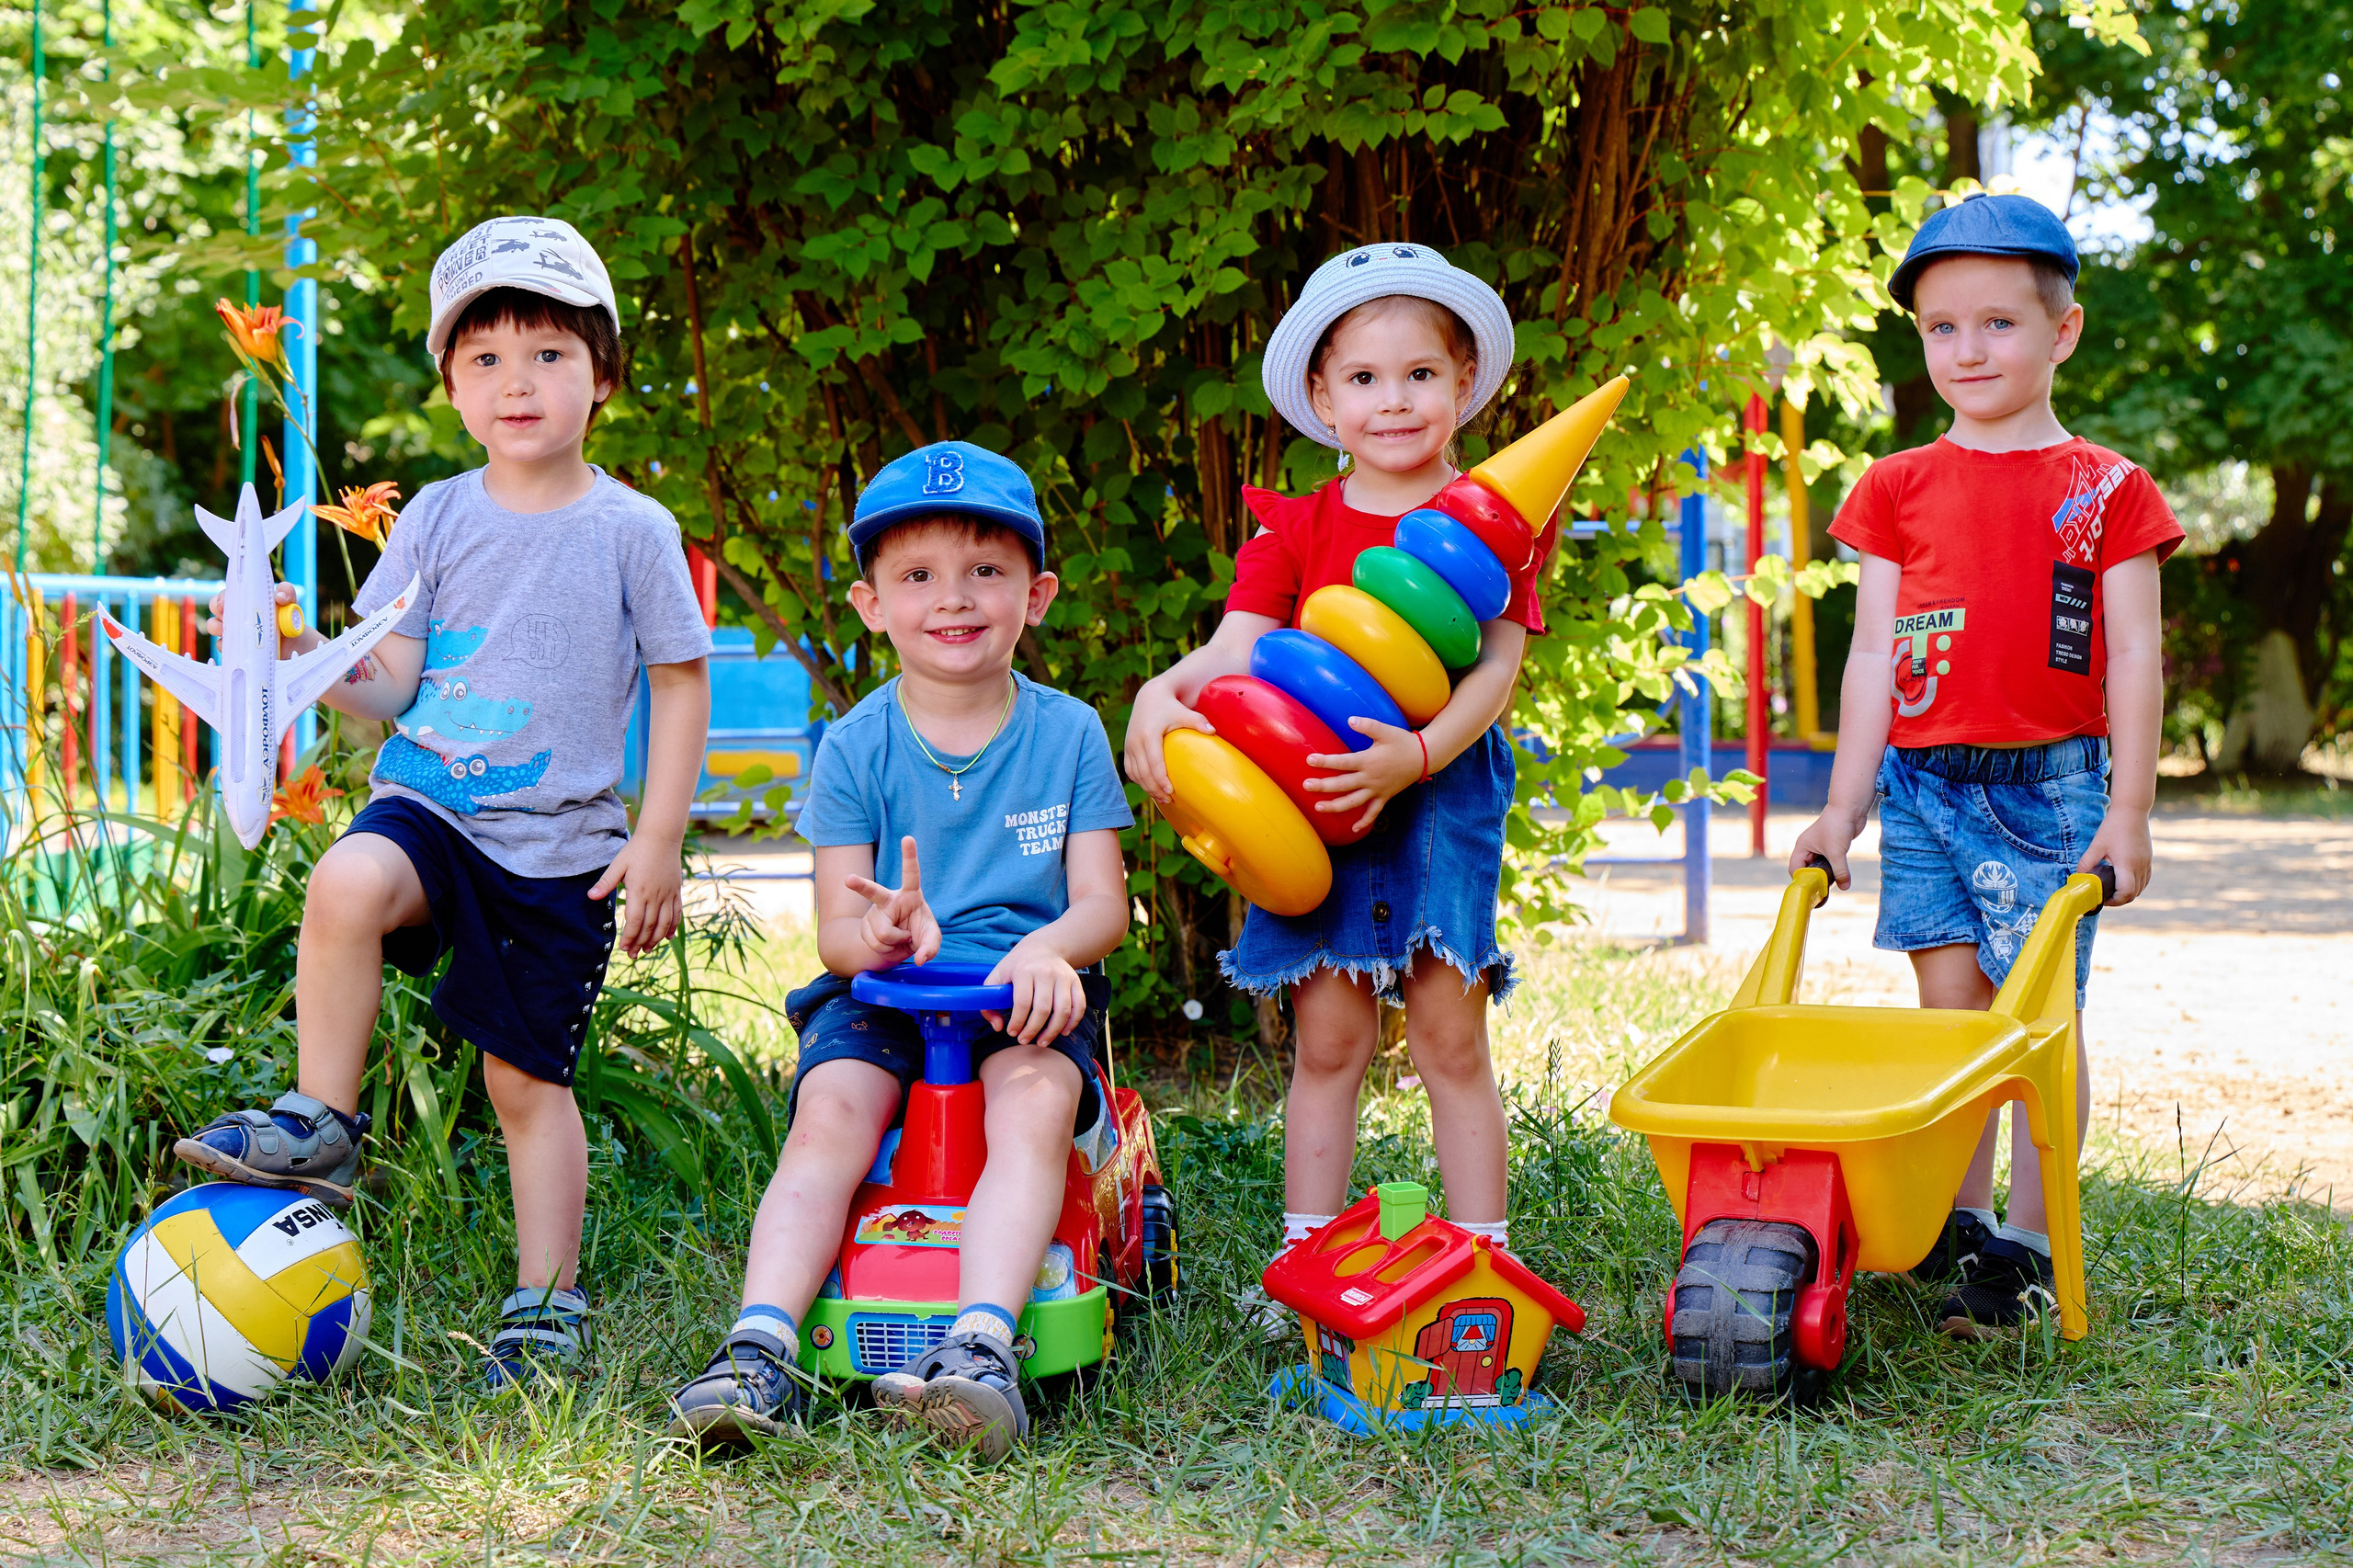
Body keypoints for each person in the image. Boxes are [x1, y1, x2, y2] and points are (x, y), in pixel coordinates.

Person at [174, 216, 714, 1388]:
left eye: (549, 354)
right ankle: (325, 1123)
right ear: (453, 388)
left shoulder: (632, 529)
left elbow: (679, 683)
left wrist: (660, 835)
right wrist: (304, 647)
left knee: (525, 1081)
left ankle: (546, 1298)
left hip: (559, 845)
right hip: (432, 805)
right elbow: (390, 682)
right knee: (347, 878)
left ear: (604, 374)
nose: (517, 382)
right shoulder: (433, 518)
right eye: (486, 359)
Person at [667, 442, 1131, 1462]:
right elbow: (836, 930)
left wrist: (1050, 947)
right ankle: (759, 1345)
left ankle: (981, 1345)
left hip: (1024, 989)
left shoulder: (1069, 733)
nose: (952, 599)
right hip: (883, 993)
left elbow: (1105, 904)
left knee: (1035, 1102)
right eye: (917, 576)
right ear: (871, 603)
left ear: (1036, 594)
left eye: (984, 572)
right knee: (830, 1112)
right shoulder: (854, 745)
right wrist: (879, 931)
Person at [1124, 244, 1547, 1316]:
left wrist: (1419, 751)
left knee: (1451, 1032)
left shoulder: (1491, 518)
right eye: (1363, 377)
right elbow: (1234, 648)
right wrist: (1151, 696)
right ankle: (1302, 1260)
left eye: (1420, 374)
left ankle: (1480, 1255)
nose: (1393, 399)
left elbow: (1496, 665)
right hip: (1309, 793)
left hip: (1436, 791)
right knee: (1331, 1038)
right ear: (1321, 396)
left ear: (1463, 386)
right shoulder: (1299, 524)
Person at [1790, 193, 2183, 1335]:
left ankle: (2032, 1236)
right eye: (1942, 327)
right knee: (1949, 1016)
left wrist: (2131, 813)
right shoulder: (1894, 487)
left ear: (2061, 331)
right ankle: (1957, 1226)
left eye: (1998, 324)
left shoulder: (2107, 488)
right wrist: (1841, 806)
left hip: (2048, 789)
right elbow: (1870, 655)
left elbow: (2138, 658)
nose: (1969, 350)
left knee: (2036, 1024)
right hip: (1918, 787)